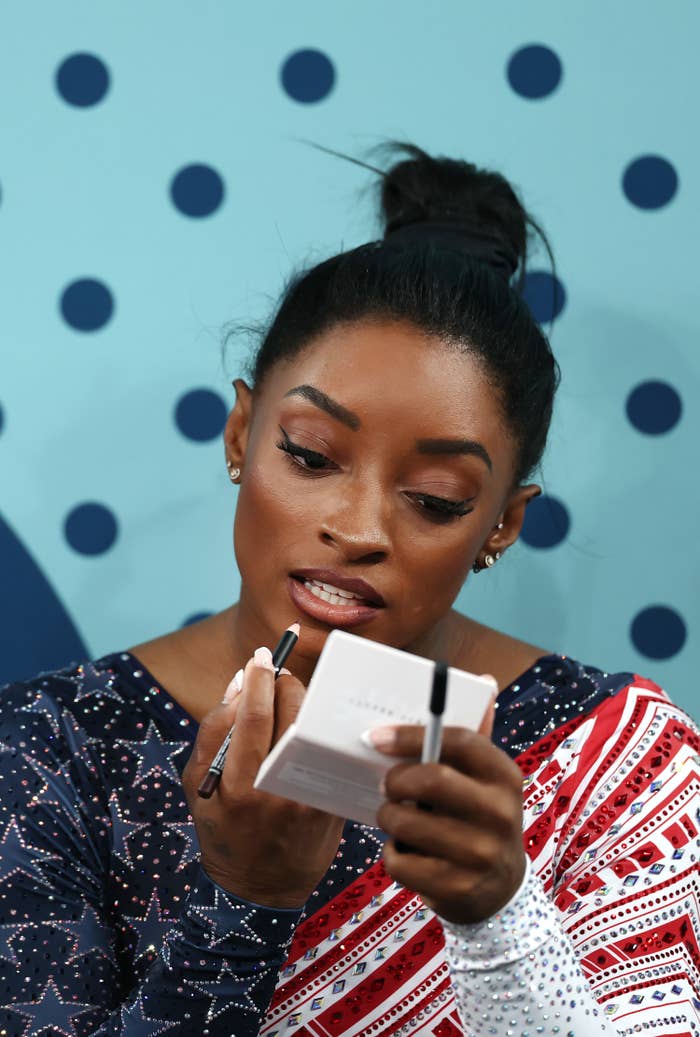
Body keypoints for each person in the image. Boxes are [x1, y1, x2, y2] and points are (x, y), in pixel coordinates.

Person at [0, 144, 698, 1037]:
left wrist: (498, 917)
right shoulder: (52, 748)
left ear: (501, 525)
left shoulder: (621, 761)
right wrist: (244, 901)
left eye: (435, 499)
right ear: (241, 432)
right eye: (310, 454)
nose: (361, 528)